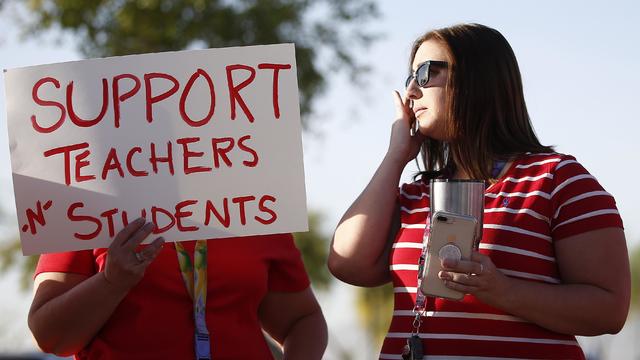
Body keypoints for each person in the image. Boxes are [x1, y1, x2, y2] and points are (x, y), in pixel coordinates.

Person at [329, 23, 630, 359]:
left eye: (426, 73)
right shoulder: (414, 195)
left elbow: (609, 310)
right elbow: (347, 264)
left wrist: (502, 291)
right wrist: (395, 156)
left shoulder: (559, 179)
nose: (412, 91)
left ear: (476, 80)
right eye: (410, 78)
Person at [28, 218, 327, 359]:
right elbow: (51, 337)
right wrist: (110, 283)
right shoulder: (88, 206)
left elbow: (303, 321)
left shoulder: (252, 207)